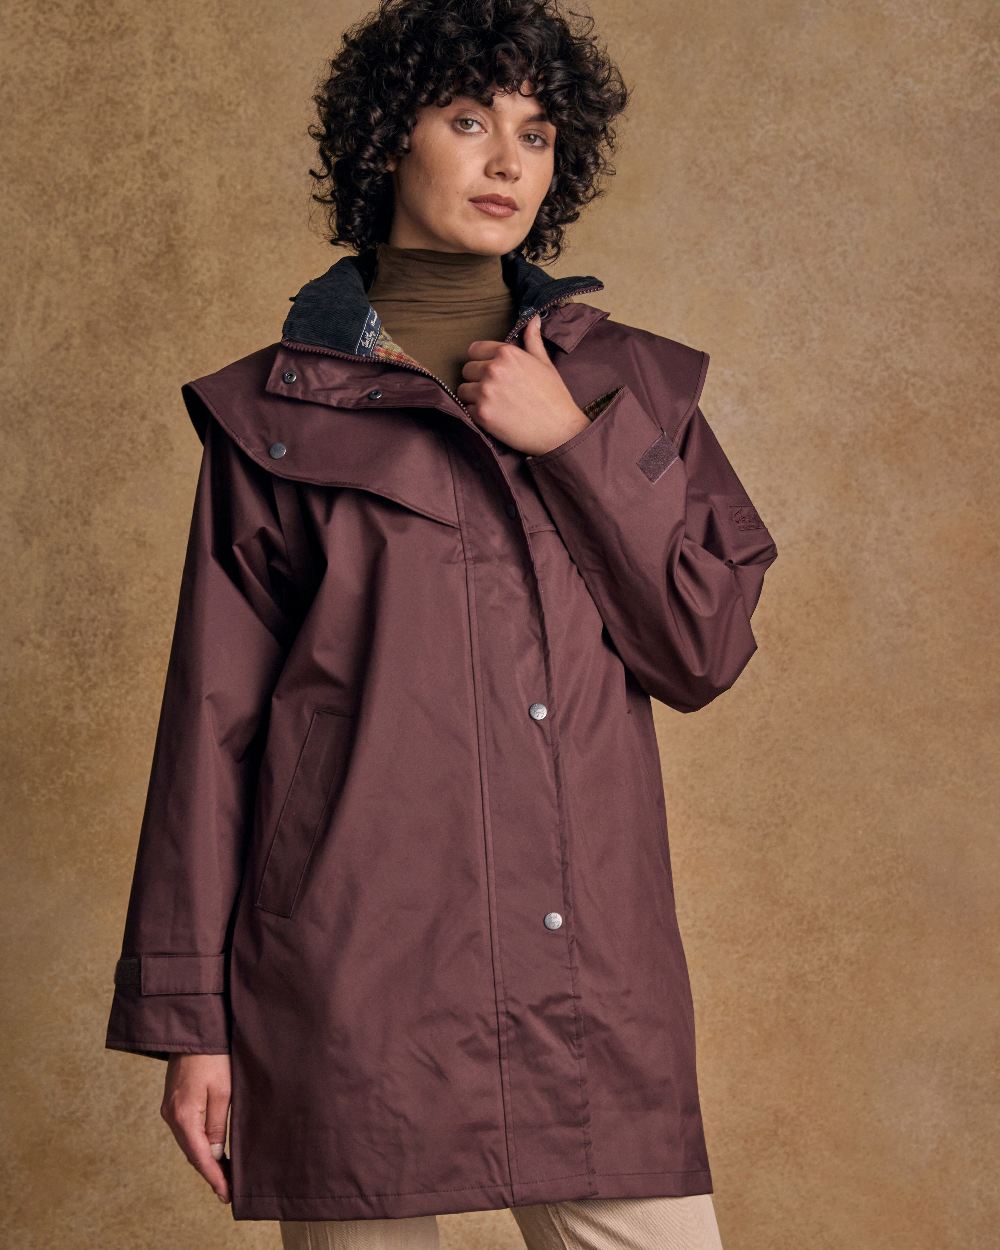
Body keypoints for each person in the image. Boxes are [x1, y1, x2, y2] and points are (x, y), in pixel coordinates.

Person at [105, 2, 778, 1248]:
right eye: (470, 120)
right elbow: (212, 727)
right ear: (388, 140)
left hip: (586, 981)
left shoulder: (622, 385)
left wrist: (571, 444)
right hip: (352, 972)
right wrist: (194, 1021)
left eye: (537, 131)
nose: (509, 160)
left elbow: (701, 644)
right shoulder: (277, 415)